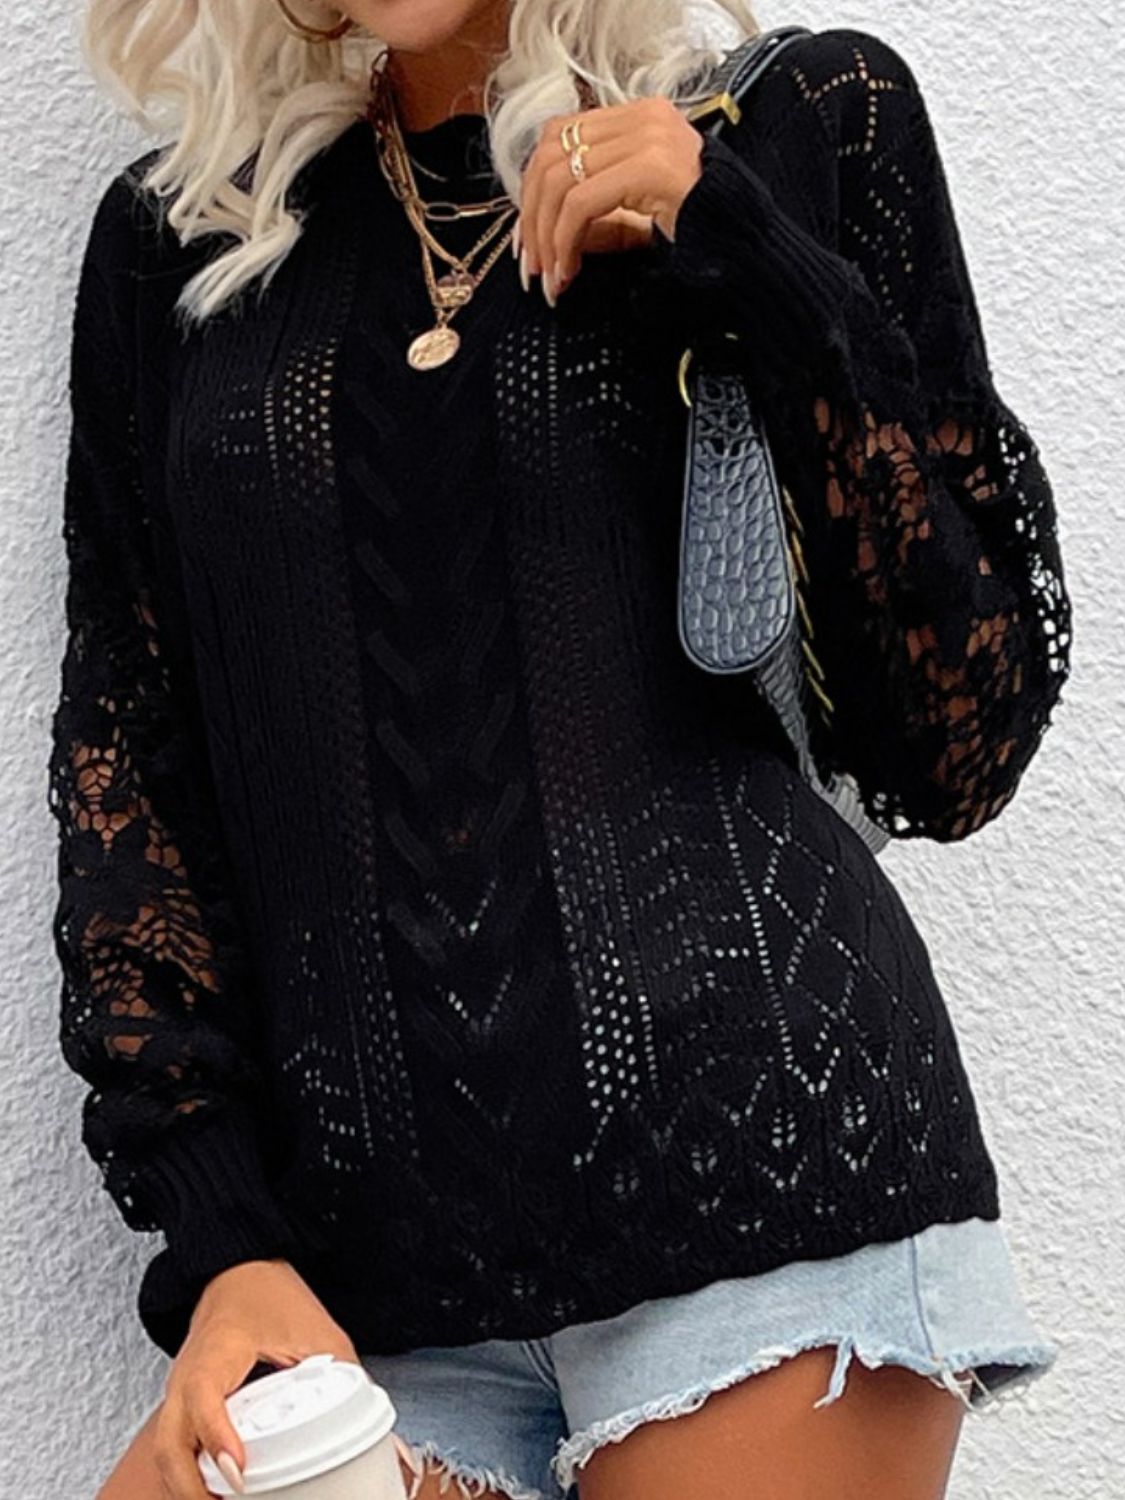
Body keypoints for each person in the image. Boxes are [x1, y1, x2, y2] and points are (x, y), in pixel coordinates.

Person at [49, 0, 1071, 1496]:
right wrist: (221, 1241)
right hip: (360, 1287)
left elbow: (956, 745)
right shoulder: (187, 246)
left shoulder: (793, 121)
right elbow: (135, 760)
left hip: (764, 1194)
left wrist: (746, 251)